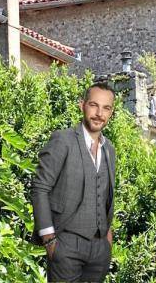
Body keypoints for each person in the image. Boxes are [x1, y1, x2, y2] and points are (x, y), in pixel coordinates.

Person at [31, 81, 117, 282]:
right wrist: (49, 238)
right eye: (94, 105)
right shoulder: (63, 140)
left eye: (106, 108)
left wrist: (108, 239)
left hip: (99, 249)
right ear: (82, 105)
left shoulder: (109, 149)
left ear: (111, 113)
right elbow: (39, 188)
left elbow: (105, 195)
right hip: (66, 243)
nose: (99, 113)